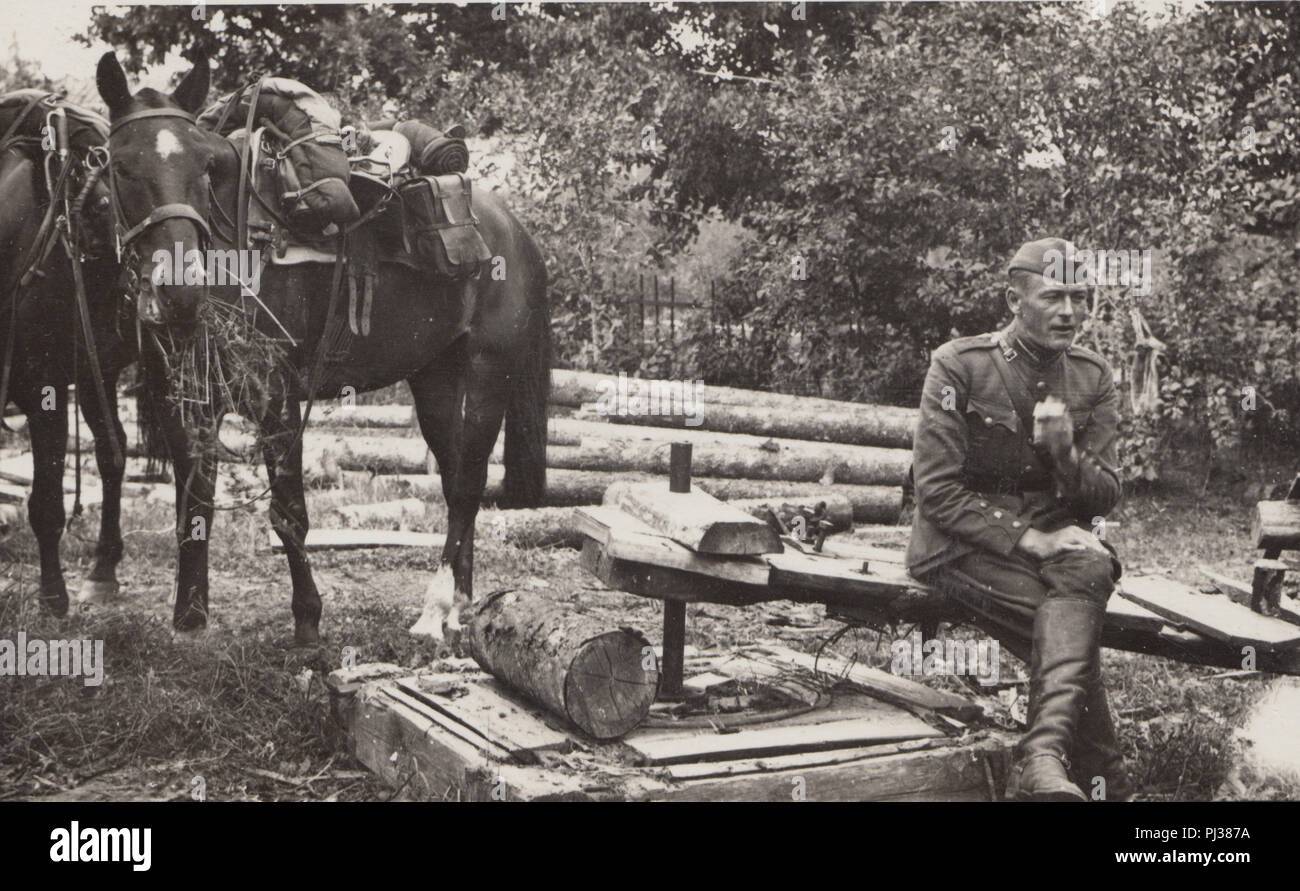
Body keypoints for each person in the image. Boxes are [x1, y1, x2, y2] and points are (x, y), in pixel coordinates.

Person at [906, 237, 1130, 801]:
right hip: (960, 547)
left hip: (1057, 548)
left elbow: (1102, 498)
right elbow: (936, 492)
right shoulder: (959, 366)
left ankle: (1044, 760)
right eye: (1054, 296)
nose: (1070, 312)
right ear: (1013, 299)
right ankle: (1107, 780)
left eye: (1081, 298)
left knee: (1089, 570)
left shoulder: (1091, 376)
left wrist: (1064, 454)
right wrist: (1030, 538)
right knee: (1064, 634)